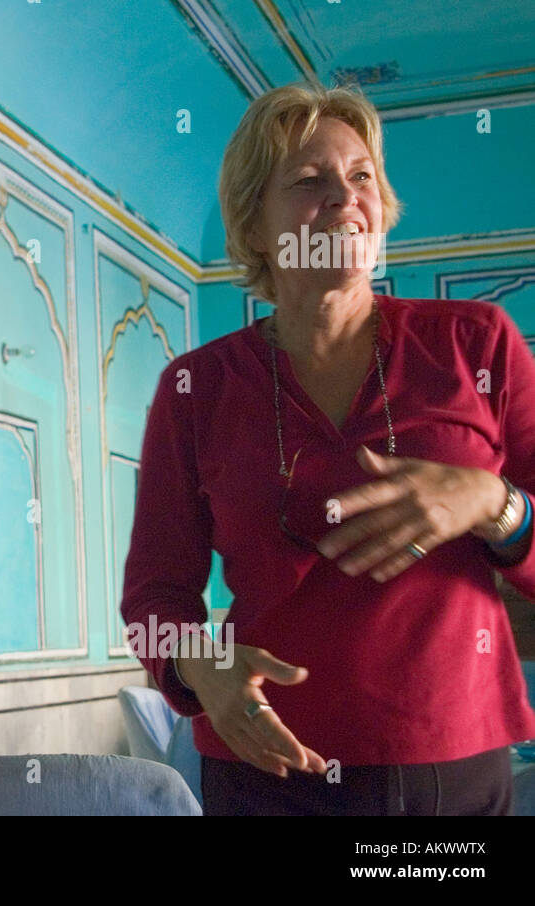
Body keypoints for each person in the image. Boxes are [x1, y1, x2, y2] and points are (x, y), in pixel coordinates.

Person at [121, 83, 535, 815]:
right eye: (310, 181)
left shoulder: (477, 343)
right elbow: (155, 594)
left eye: (361, 176)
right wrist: (200, 667)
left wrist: (492, 502)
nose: (345, 198)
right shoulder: (195, 388)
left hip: (451, 769)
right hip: (265, 768)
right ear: (255, 226)